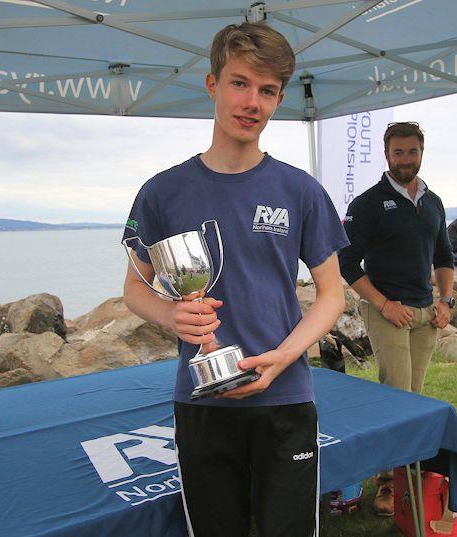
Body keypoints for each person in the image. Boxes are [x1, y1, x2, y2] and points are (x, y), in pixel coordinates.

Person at [121, 22, 348, 537]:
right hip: (202, 400)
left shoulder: (301, 191)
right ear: (212, 84)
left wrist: (284, 356)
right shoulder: (161, 192)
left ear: (279, 98)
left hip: (286, 397)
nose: (252, 102)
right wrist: (171, 313)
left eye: (267, 91)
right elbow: (135, 288)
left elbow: (332, 294)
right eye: (240, 83)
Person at [338, 121, 455, 516]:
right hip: (388, 311)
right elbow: (347, 263)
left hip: (425, 313)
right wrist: (384, 303)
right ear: (387, 155)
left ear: (422, 153)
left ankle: (411, 477)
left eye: (412, 152)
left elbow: (445, 257)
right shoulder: (367, 204)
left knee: (414, 398)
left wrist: (446, 301)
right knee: (395, 396)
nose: (406, 159)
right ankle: (387, 483)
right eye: (398, 152)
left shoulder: (433, 202)